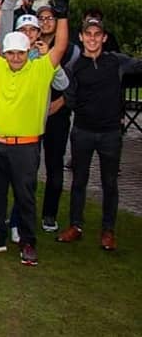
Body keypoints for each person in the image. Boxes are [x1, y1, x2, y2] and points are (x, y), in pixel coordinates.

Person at [0, 0, 69, 266]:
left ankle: (27, 242)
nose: (15, 57)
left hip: (25, 147)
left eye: (20, 53)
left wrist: (62, 17)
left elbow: (60, 47)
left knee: (25, 197)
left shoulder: (40, 70)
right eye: (11, 52)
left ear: (27, 52)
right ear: (5, 53)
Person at [57, 18, 142, 251]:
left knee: (110, 183)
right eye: (88, 34)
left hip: (110, 134)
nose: (92, 38)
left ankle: (108, 231)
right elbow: (69, 97)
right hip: (82, 131)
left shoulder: (116, 61)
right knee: (79, 181)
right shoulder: (74, 66)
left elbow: (138, 66)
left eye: (97, 34)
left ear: (104, 38)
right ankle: (75, 226)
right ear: (81, 37)